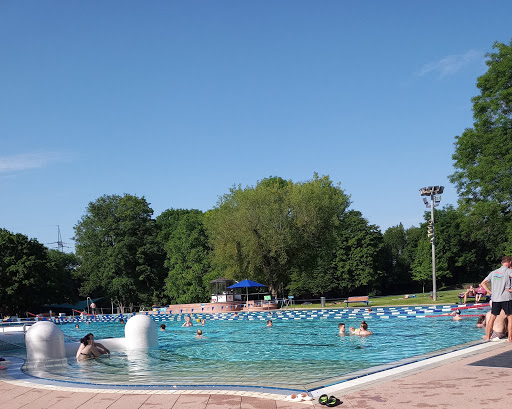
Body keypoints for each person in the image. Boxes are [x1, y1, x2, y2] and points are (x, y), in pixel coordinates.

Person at [480, 256, 512, 341]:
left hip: (496, 298)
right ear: (509, 262)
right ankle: (510, 338)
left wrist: (490, 292)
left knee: (492, 317)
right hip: (506, 297)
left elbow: (483, 283)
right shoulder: (509, 271)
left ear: (502, 263)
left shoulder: (493, 272)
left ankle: (487, 337)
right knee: (510, 317)